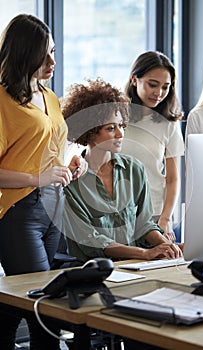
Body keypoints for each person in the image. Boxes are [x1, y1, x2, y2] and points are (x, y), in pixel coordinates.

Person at [0, 14, 86, 350]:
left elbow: (44, 149)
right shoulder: (4, 101)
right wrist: (38, 177)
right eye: (43, 55)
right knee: (45, 310)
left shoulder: (49, 96)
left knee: (22, 301)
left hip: (54, 205)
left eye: (53, 51)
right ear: (23, 54)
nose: (53, 61)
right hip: (19, 211)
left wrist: (68, 164)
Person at [62, 78, 183, 264]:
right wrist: (144, 254)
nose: (120, 134)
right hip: (90, 270)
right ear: (90, 131)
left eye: (122, 126)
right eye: (111, 128)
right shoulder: (72, 181)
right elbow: (90, 241)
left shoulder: (134, 170)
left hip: (132, 267)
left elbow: (144, 224)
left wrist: (164, 244)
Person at [122, 51, 184, 242]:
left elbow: (173, 178)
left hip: (154, 214)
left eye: (166, 87)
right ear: (134, 79)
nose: (158, 93)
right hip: (115, 215)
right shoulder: (115, 115)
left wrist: (164, 220)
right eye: (152, 84)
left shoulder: (169, 123)